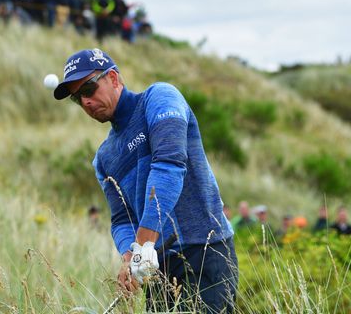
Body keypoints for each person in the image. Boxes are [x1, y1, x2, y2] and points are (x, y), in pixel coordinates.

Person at [53, 48, 237, 313]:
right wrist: (130, 256)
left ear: (114, 79)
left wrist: (142, 245)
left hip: (205, 250)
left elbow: (170, 165)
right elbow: (121, 220)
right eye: (77, 98)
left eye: (89, 89)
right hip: (157, 267)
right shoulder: (104, 158)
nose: (85, 102)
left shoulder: (160, 98)